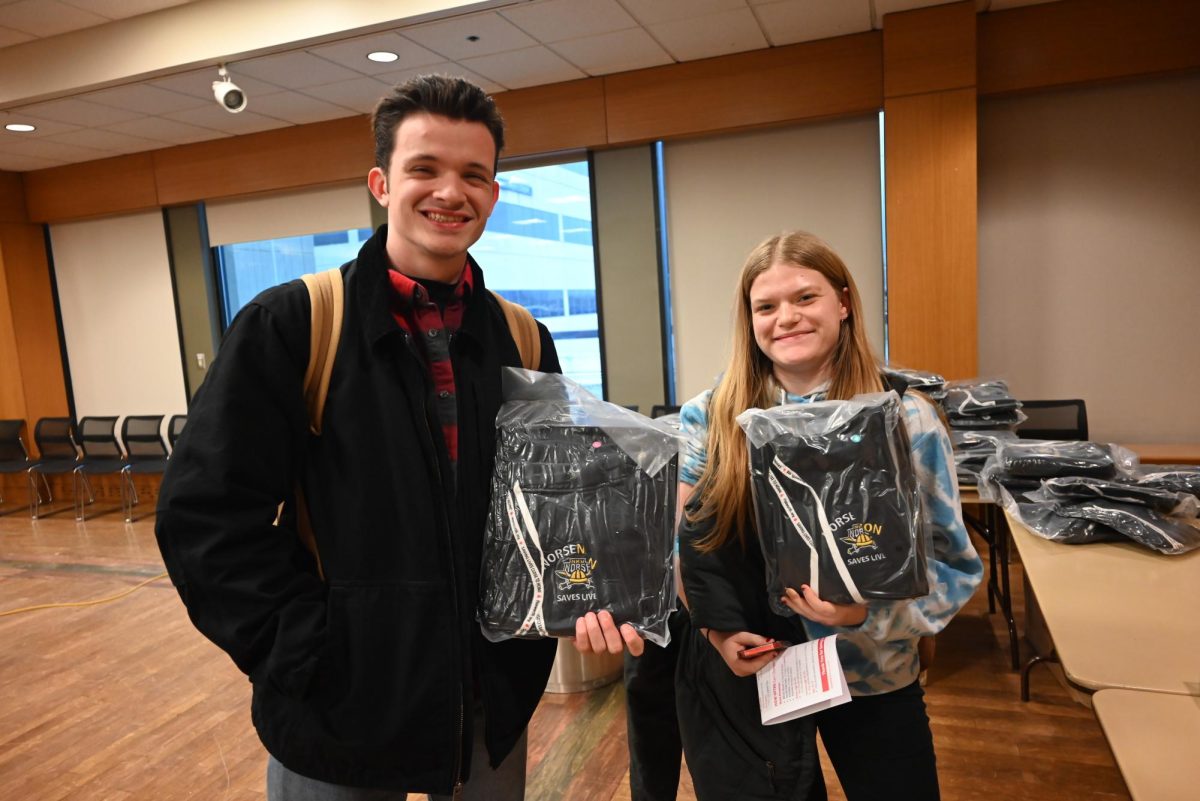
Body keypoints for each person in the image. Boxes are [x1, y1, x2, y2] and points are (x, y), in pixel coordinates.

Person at [155, 75, 638, 801]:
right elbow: (205, 516)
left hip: (487, 706)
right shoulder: (293, 324)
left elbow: (557, 506)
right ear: (382, 183)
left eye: (474, 174)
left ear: (494, 195)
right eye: (425, 169)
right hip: (336, 711)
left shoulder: (523, 338)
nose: (451, 191)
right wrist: (303, 649)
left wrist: (589, 594)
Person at [675, 231, 983, 801]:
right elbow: (684, 549)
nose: (785, 318)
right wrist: (717, 631)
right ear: (749, 320)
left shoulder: (906, 418)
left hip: (872, 674)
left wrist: (864, 615)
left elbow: (953, 566)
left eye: (805, 298)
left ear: (843, 303)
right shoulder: (709, 418)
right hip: (759, 675)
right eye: (766, 306)